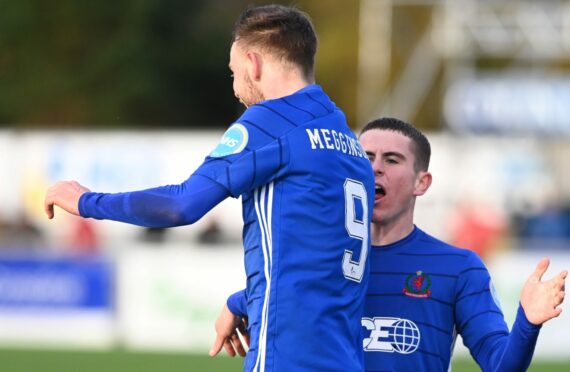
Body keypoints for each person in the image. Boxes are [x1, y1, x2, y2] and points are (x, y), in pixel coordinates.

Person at [44, 5, 374, 372]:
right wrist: (242, 302)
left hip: (287, 357)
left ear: (253, 63)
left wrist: (86, 200)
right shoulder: (345, 139)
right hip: (344, 358)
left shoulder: (272, 122)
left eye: (233, 73)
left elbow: (180, 205)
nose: (235, 90)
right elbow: (316, 264)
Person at [219, 117, 568, 371]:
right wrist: (237, 303)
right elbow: (276, 294)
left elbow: (500, 365)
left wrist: (528, 321)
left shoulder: (459, 268)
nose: (375, 169)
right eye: (366, 157)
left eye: (392, 160)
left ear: (422, 182)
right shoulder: (319, 259)